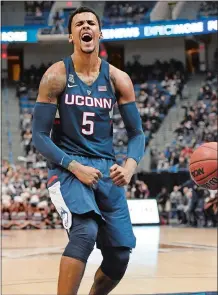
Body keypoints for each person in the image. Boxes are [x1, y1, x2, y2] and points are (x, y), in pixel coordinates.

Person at [32, 6, 145, 295]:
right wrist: (74, 166)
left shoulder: (119, 79)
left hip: (106, 167)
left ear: (99, 32)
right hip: (68, 166)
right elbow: (39, 136)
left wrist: (130, 166)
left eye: (91, 23)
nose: (86, 27)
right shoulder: (56, 75)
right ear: (72, 36)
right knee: (84, 232)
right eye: (79, 24)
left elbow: (137, 133)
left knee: (120, 256)